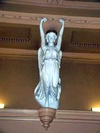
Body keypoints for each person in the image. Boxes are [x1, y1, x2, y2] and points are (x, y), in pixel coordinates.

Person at [34, 18, 64, 109]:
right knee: (46, 84)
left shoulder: (57, 48)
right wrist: (40, 24)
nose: (51, 38)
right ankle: (46, 101)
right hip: (46, 66)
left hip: (54, 66)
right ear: (47, 39)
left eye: (53, 37)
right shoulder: (45, 47)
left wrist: (63, 25)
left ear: (54, 38)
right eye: (49, 37)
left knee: (54, 84)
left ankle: (54, 99)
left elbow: (61, 37)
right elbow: (41, 36)